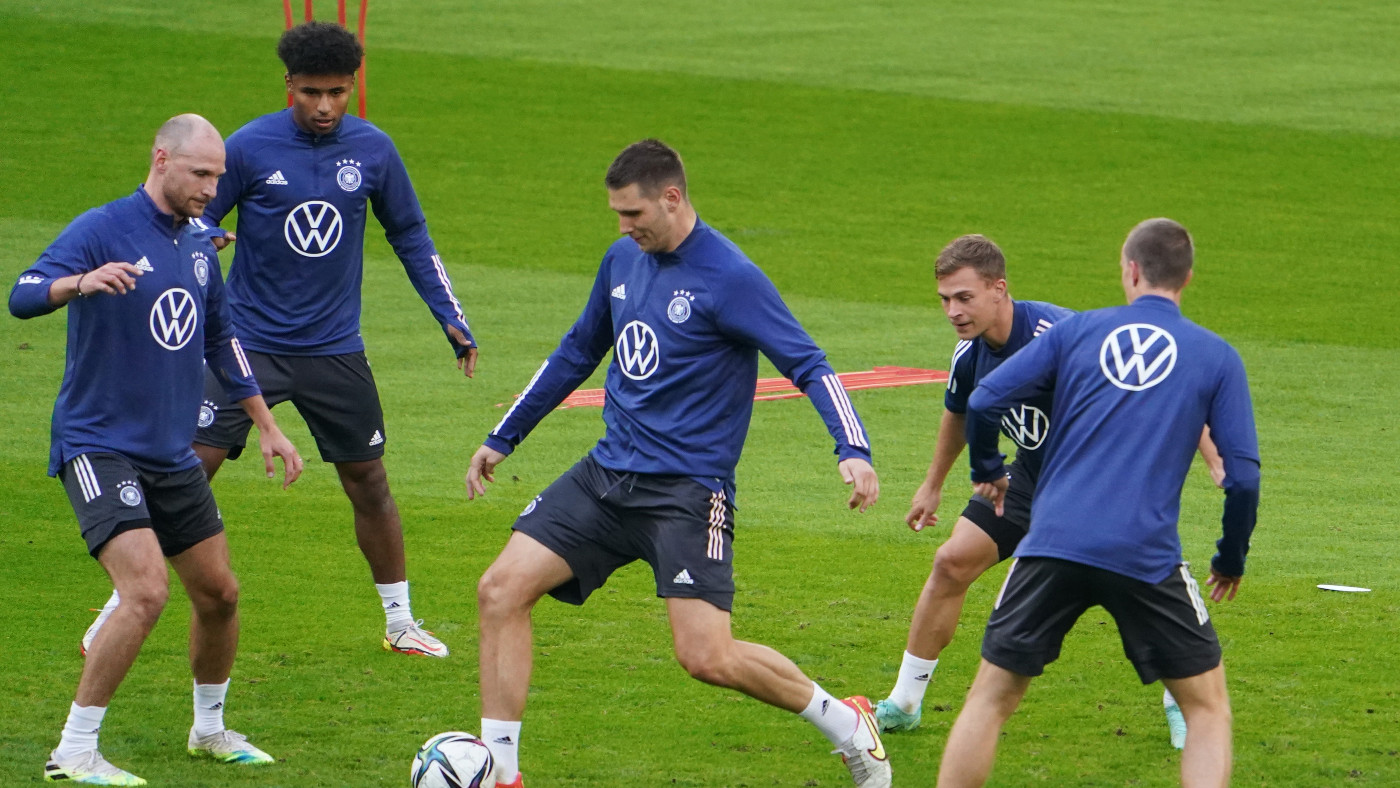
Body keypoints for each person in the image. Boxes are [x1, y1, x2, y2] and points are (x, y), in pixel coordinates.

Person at [465, 139, 890, 788]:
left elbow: (807, 362)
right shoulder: (621, 260)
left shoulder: (730, 277)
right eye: (617, 214)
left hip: (686, 494)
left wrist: (852, 448)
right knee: (500, 590)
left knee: (706, 656)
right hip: (606, 476)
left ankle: (846, 721)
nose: (623, 227)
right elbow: (577, 351)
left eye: (633, 214)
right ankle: (500, 772)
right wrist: (505, 435)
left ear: (671, 198)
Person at [80, 21, 477, 658]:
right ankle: (120, 605)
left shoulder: (373, 151)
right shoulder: (249, 146)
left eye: (338, 92)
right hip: (246, 346)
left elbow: (410, 234)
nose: (324, 106)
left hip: (335, 350)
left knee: (369, 480)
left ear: (353, 86)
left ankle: (400, 621)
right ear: (289, 84)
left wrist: (448, 313)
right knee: (187, 472)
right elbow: (192, 216)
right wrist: (205, 240)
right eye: (311, 92)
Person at [10, 115, 303, 786]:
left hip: (170, 452)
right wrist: (78, 283)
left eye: (218, 177)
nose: (212, 189)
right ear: (162, 159)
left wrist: (266, 424)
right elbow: (21, 296)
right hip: (97, 445)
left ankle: (209, 730)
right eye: (201, 174)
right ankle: (74, 751)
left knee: (220, 594)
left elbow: (220, 338)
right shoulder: (101, 228)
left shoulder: (200, 243)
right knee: (144, 592)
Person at [935, 218, 1260, 788]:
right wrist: (1229, 558)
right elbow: (1244, 481)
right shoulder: (1217, 356)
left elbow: (983, 400)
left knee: (989, 699)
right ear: (1188, 277)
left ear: (1130, 271)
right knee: (1207, 711)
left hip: (1050, 542)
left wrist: (987, 471)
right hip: (1145, 555)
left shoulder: (1077, 331)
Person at [874, 235, 1223, 749]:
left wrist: (1215, 458)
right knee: (950, 562)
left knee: (1146, 593)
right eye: (945, 299)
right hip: (1029, 479)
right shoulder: (970, 352)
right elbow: (959, 413)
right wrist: (932, 486)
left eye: (964, 297)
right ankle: (904, 703)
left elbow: (1157, 382)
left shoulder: (1062, 335)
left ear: (999, 289)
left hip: (1099, 488)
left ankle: (1182, 705)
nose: (953, 311)